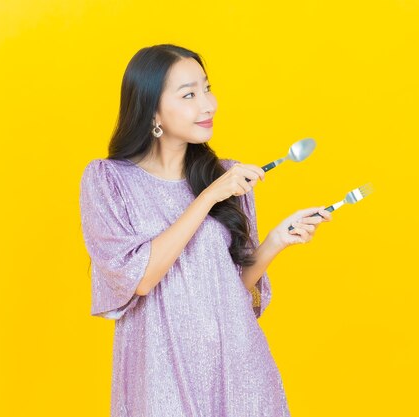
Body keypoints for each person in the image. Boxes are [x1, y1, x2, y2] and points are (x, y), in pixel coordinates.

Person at [79, 44, 331, 417]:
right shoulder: (110, 181)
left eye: (207, 88)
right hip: (160, 374)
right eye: (189, 94)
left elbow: (230, 288)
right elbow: (140, 280)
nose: (208, 104)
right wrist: (209, 197)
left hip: (238, 371)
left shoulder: (224, 176)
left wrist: (277, 239)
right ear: (152, 110)